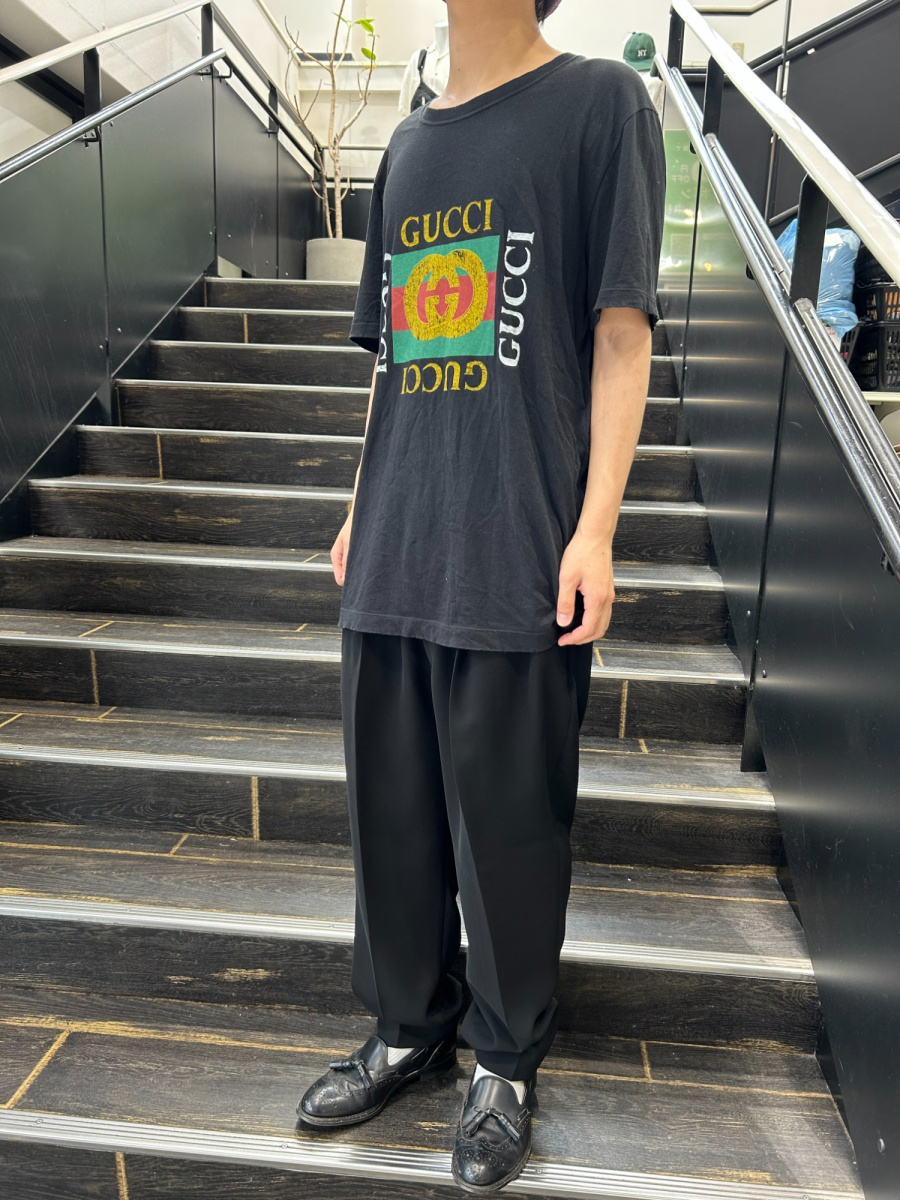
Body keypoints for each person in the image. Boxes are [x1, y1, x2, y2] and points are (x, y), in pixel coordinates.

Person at [297, 0, 665, 1191]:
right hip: (398, 538)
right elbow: (395, 360)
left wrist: (596, 530)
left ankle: (504, 1060)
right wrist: (361, 504)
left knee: (509, 826)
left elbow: (621, 333)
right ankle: (409, 1024)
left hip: (519, 538)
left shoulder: (602, 105)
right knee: (392, 814)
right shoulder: (407, 144)